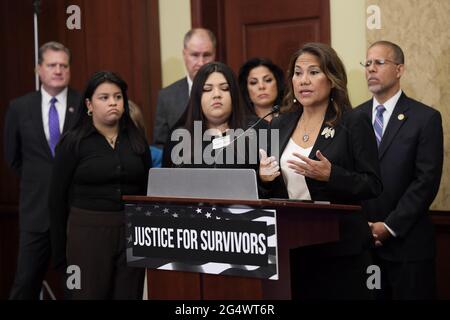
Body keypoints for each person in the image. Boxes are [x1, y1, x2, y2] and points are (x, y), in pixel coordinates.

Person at [258, 43, 382, 299]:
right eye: (298, 72)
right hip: (292, 246)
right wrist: (265, 179)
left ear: (332, 78)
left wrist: (331, 175)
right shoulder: (280, 124)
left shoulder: (352, 121)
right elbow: (272, 189)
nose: (304, 80)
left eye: (314, 72)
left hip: (340, 249)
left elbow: (373, 184)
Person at [49, 71, 151, 299]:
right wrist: (59, 254)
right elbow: (56, 199)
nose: (112, 102)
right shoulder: (73, 142)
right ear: (89, 104)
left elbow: (146, 189)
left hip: (131, 232)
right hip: (87, 233)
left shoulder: (136, 140)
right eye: (104, 97)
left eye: (117, 97)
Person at [356, 41, 443, 300]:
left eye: (379, 63)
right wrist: (364, 227)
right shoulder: (354, 117)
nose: (371, 69)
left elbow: (425, 181)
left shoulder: (425, 118)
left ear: (399, 69)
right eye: (368, 63)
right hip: (365, 244)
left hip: (408, 246)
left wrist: (390, 226)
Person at [4, 41, 80, 299]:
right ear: (39, 69)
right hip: (34, 215)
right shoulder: (19, 107)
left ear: (69, 69)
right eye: (51, 65)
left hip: (74, 216)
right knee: (24, 285)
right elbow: (13, 158)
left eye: (63, 65)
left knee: (76, 288)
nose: (58, 70)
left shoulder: (84, 106)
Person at [162, 61, 258, 169]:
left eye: (225, 88)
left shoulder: (256, 129)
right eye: (207, 89)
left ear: (234, 94)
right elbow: (166, 182)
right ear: (197, 97)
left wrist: (264, 178)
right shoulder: (178, 137)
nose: (216, 94)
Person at [153, 28, 216, 148]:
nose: (201, 62)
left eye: (207, 55)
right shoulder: (167, 96)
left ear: (214, 54)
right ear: (184, 54)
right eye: (195, 55)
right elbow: (160, 146)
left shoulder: (228, 91)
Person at [238, 57, 285, 123]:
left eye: (268, 80)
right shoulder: (240, 125)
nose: (261, 86)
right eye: (253, 82)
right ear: (246, 89)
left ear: (278, 83)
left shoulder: (292, 118)